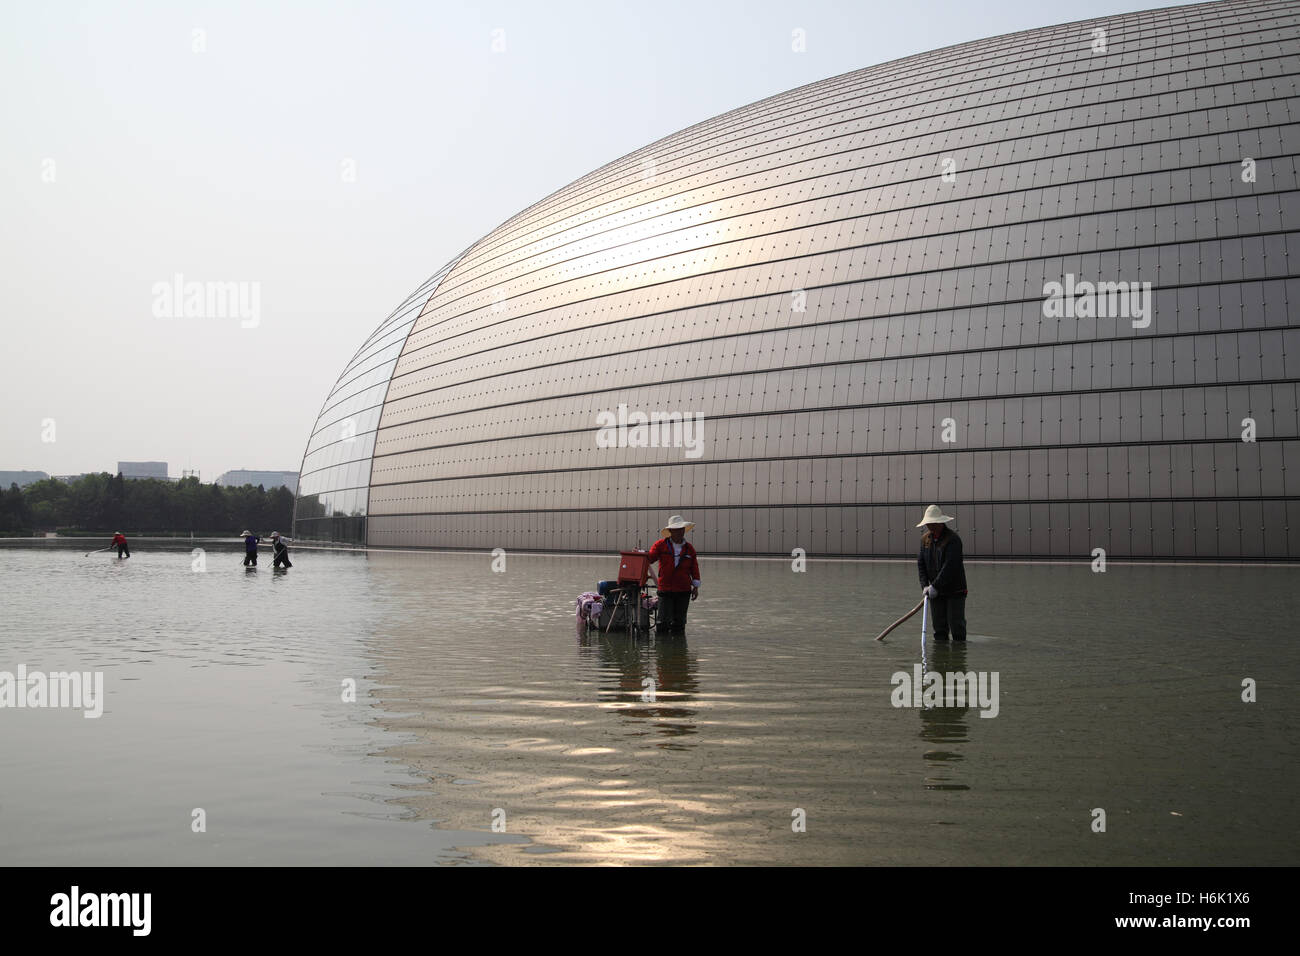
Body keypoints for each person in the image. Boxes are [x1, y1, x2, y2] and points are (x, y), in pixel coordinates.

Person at [916, 505, 967, 641]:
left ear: (939, 522)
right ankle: (939, 660)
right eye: (928, 524)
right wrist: (925, 586)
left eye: (932, 524)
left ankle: (957, 659)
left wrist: (935, 586)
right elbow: (921, 564)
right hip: (935, 592)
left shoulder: (953, 540)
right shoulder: (925, 540)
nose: (930, 527)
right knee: (939, 629)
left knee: (957, 627)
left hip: (954, 591)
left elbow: (950, 566)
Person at [647, 515, 700, 634]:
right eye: (676, 529)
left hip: (683, 590)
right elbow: (650, 558)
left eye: (681, 529)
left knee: (680, 623)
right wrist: (640, 554)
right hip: (666, 589)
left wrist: (695, 587)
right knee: (662, 623)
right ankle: (662, 650)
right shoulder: (660, 545)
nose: (680, 532)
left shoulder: (689, 548)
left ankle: (678, 649)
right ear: (670, 531)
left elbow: (694, 568)